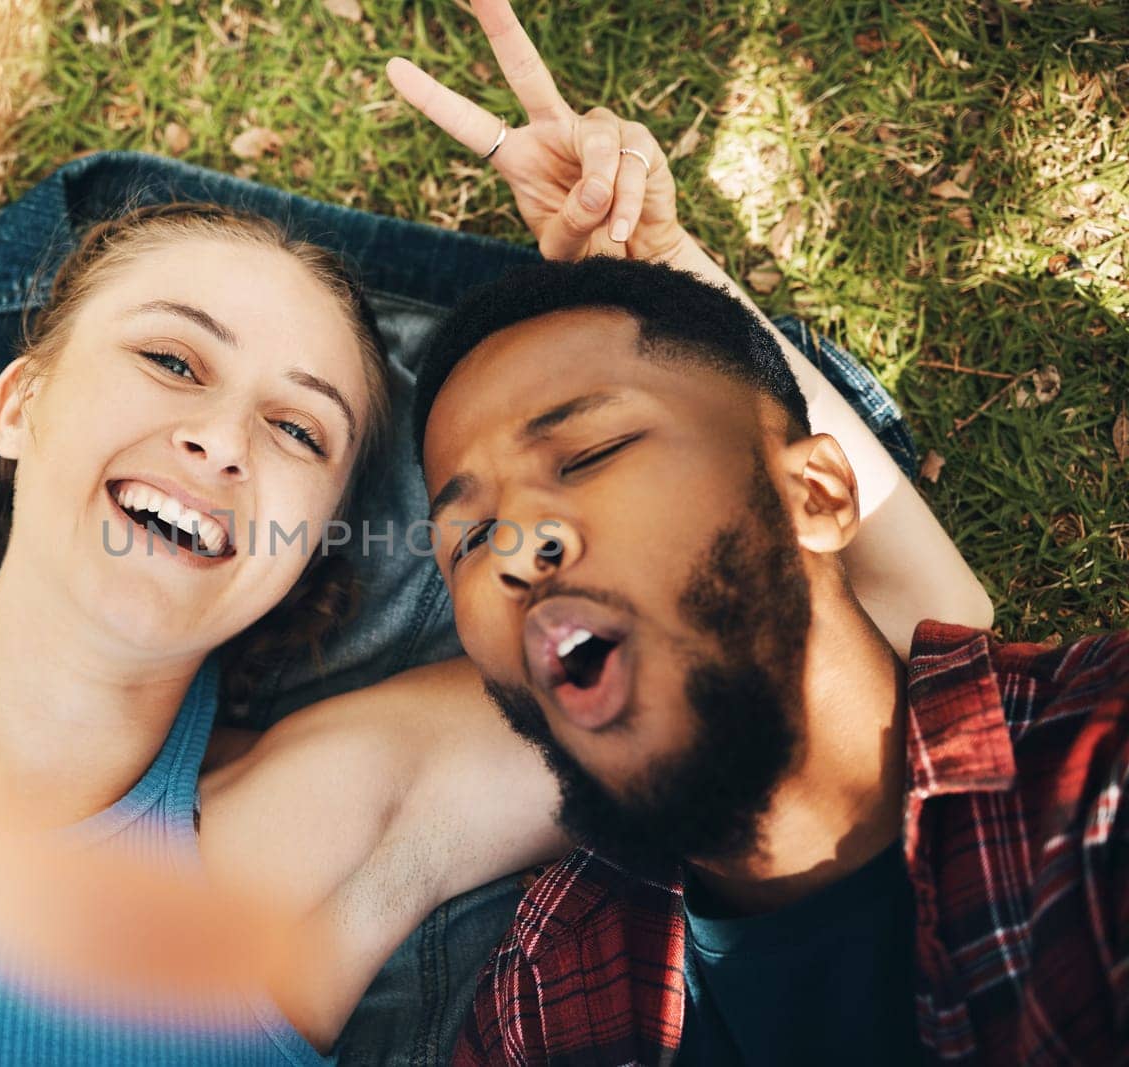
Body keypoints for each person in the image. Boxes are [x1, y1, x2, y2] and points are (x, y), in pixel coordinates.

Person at [0, 3, 992, 1066]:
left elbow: (914, 665)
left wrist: (671, 292)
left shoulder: (317, 827)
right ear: (19, 398)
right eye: (173, 361)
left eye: (300, 430)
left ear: (321, 540)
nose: (223, 439)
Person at [396, 11, 1129, 1066]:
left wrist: (660, 260)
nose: (515, 541)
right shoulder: (542, 997)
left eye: (590, 452)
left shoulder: (1089, 783)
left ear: (823, 494)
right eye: (463, 537)